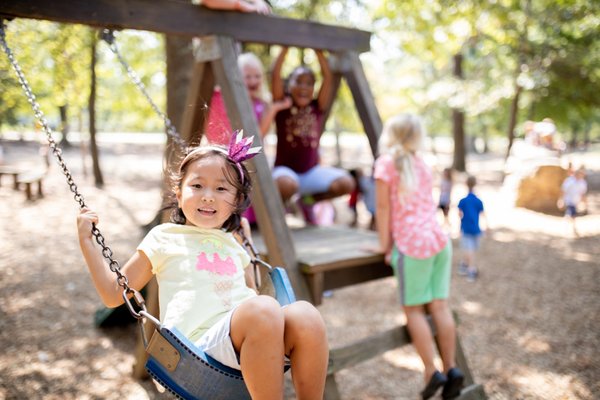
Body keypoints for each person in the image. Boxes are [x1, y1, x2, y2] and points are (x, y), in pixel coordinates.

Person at [76, 132, 328, 399]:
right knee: (263, 309)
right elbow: (113, 295)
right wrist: (87, 243)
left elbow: (251, 294)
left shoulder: (233, 241)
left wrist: (245, 243)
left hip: (248, 337)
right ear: (178, 192)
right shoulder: (164, 237)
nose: (208, 196)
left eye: (221, 189)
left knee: (305, 315)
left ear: (236, 202)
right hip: (199, 348)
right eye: (197, 186)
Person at [371, 114, 464, 400]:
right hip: (438, 241)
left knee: (414, 311)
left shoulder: (386, 163)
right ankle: (452, 368)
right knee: (440, 306)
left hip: (412, 246)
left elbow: (384, 209)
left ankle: (430, 370)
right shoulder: (422, 163)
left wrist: (384, 246)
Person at [269, 46, 355, 224]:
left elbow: (328, 78)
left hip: (310, 173)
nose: (304, 87)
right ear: (289, 85)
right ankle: (282, 209)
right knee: (286, 185)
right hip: (286, 173)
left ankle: (306, 202)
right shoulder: (283, 105)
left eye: (309, 83)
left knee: (347, 183)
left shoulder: (317, 107)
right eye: (298, 81)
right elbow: (275, 74)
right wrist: (285, 48)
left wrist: (318, 51)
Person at [205, 52, 291, 226]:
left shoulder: (261, 103)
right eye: (248, 76)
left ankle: (256, 223)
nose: (253, 80)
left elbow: (258, 136)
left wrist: (272, 109)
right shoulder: (225, 100)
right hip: (232, 159)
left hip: (254, 161)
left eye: (257, 76)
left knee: (256, 186)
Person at [457, 175, 486, 282]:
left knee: (468, 249)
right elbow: (483, 214)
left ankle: (469, 269)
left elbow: (460, 215)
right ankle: (468, 266)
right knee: (471, 249)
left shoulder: (463, 201)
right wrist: (487, 226)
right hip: (476, 229)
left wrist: (460, 226)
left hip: (466, 228)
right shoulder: (478, 201)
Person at [561, 167, 587, 237]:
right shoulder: (569, 181)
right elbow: (563, 190)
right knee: (572, 213)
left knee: (572, 213)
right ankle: (572, 227)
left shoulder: (583, 183)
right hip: (569, 200)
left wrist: (584, 202)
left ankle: (568, 222)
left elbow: (582, 193)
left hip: (576, 201)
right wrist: (561, 199)